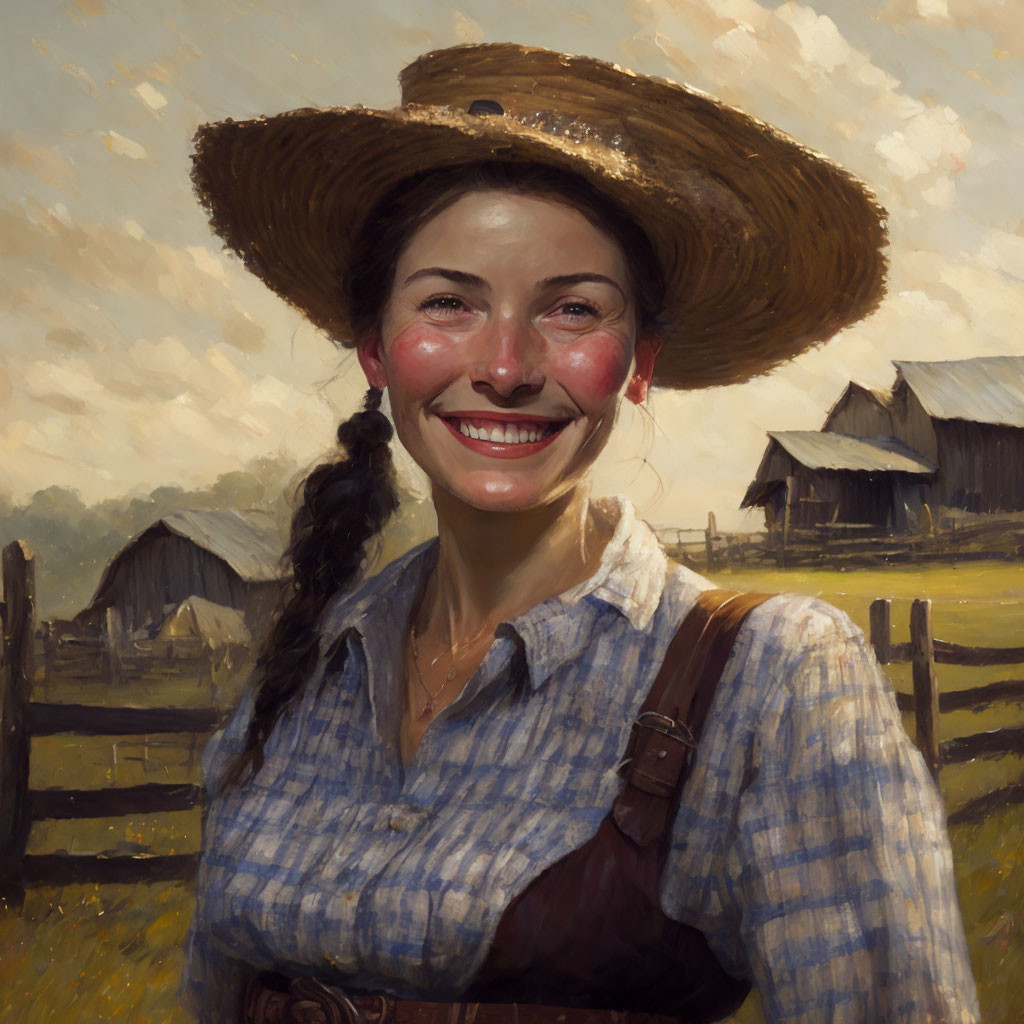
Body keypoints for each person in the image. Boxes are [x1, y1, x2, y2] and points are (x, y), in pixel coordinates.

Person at [183, 43, 979, 1024]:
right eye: (448, 302)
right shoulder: (304, 669)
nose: (508, 365)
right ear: (376, 350)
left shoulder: (771, 676)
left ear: (637, 365)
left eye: (571, 308)